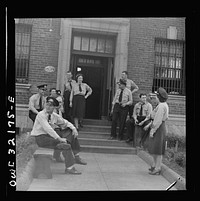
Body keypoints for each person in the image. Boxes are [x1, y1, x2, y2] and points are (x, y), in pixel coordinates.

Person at [30, 96, 87, 175]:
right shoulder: (41, 115)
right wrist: (59, 139)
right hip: (41, 138)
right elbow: (48, 128)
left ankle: (74, 157)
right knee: (65, 145)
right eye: (47, 104)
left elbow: (65, 122)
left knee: (69, 135)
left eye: (51, 105)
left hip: (49, 138)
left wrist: (74, 129)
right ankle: (70, 168)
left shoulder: (54, 115)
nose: (48, 107)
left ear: (54, 107)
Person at [147, 87, 169, 175]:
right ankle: (155, 165)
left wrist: (153, 130)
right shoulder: (163, 105)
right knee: (155, 148)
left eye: (156, 95)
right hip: (160, 127)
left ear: (159, 97)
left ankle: (157, 167)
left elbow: (158, 120)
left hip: (159, 128)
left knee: (158, 149)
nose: (155, 96)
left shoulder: (161, 106)